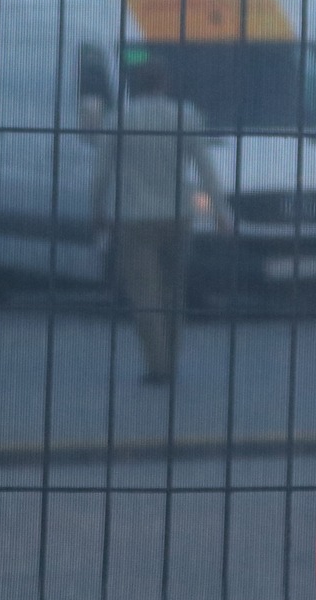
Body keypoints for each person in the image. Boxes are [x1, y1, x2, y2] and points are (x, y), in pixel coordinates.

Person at [91, 53, 225, 382]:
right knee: (173, 292)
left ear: (133, 86)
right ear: (164, 83)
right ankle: (172, 357)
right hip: (178, 215)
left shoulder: (119, 119)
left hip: (134, 218)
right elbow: (206, 169)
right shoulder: (186, 116)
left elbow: (100, 172)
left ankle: (157, 363)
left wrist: (97, 210)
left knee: (145, 294)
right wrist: (220, 213)